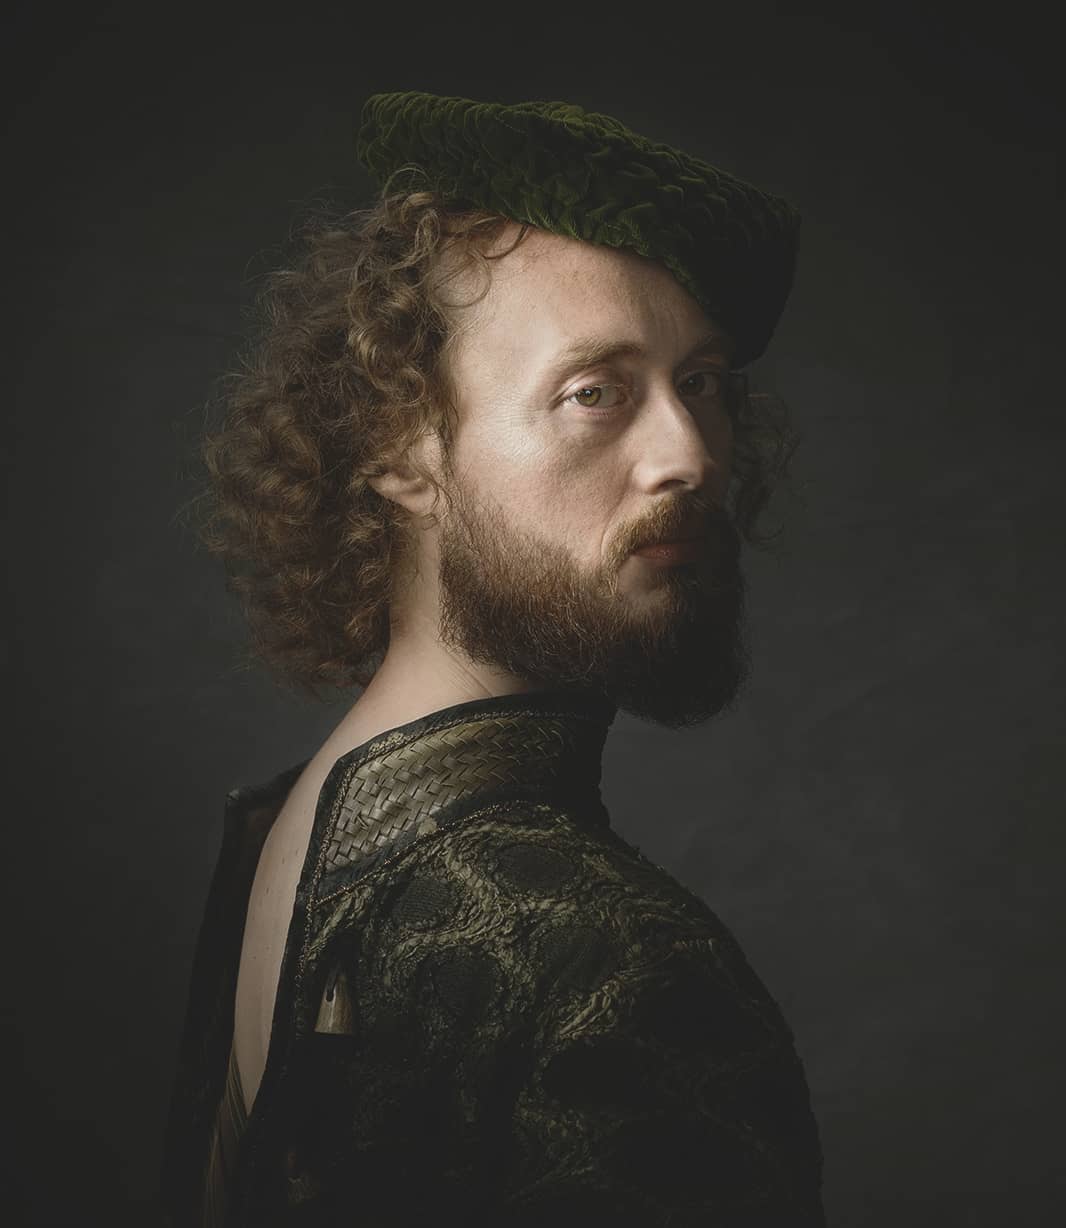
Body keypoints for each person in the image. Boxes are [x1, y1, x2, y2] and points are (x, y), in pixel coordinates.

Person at [160, 90, 826, 1226]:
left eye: (702, 383)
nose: (690, 455)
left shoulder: (295, 820)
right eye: (594, 392)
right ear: (398, 451)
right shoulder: (620, 963)